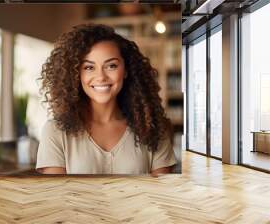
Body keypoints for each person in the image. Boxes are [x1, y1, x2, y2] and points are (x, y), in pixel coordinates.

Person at [36, 24, 177, 175]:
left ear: (126, 70)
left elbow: (161, 195)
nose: (101, 77)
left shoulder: (153, 129)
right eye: (89, 67)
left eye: (111, 66)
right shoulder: (55, 132)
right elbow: (56, 196)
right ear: (76, 75)